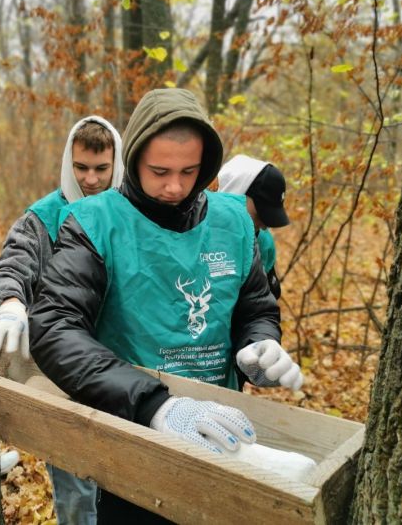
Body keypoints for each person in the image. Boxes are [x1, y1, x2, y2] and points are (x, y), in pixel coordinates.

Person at [26, 89, 303, 523]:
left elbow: (255, 307)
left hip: (220, 429)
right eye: (159, 171)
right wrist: (154, 405)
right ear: (134, 160)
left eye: (189, 171)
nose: (174, 186)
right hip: (129, 434)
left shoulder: (234, 222)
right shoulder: (94, 222)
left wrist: (260, 345)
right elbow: (54, 327)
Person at [0, 116, 124, 524]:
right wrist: (9, 304)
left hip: (126, 361)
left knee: (127, 482)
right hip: (64, 368)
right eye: (81, 168)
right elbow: (13, 264)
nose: (91, 179)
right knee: (76, 483)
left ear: (117, 163)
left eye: (101, 168)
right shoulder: (43, 217)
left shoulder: (132, 211)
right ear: (67, 164)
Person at [217, 155, 290, 299]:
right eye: (260, 214)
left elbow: (267, 302)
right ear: (234, 194)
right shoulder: (194, 232)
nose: (264, 227)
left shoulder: (263, 242)